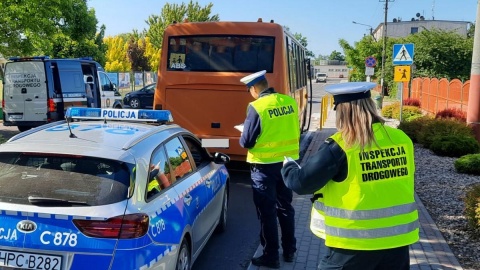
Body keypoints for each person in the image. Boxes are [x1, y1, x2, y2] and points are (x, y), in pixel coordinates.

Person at [281, 82, 419, 270]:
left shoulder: (341, 145)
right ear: (370, 105)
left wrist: (288, 166)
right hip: (397, 244)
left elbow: (301, 183)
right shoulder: (401, 139)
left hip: (352, 246)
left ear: (343, 111)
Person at [239, 70, 299, 269]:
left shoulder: (257, 107)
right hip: (288, 165)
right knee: (285, 208)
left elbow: (247, 141)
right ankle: (290, 250)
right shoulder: (289, 102)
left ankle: (270, 256)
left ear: (255, 88)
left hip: (263, 168)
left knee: (267, 213)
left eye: (250, 90)